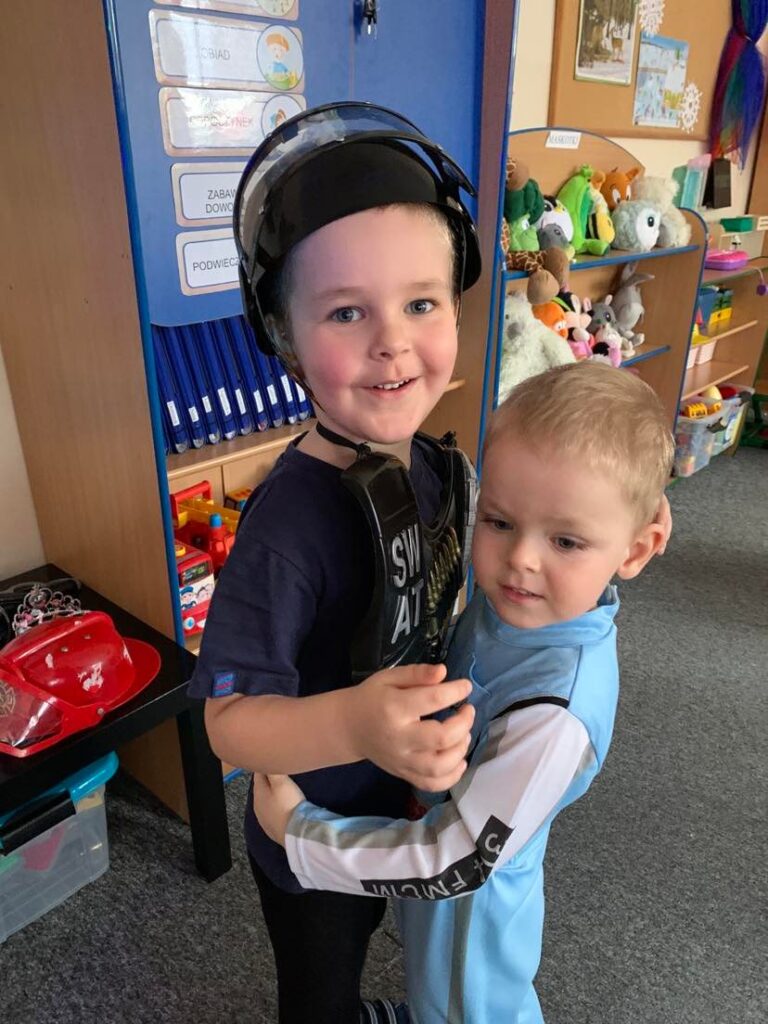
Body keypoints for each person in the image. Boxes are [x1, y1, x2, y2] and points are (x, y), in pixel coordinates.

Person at [253, 360, 675, 1024]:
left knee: (457, 1003)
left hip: (470, 909)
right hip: (439, 852)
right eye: (500, 522)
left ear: (638, 548)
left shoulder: (557, 716)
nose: (521, 560)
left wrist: (301, 836)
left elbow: (455, 861)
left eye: (566, 540)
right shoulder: (524, 607)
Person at [187, 101, 484, 1024]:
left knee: (385, 938)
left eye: (421, 303)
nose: (391, 340)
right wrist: (358, 724)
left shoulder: (427, 461)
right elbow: (228, 726)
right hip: (309, 833)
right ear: (283, 336)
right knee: (321, 988)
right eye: (347, 311)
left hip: (398, 807)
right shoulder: (288, 524)